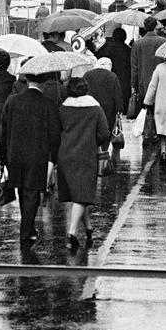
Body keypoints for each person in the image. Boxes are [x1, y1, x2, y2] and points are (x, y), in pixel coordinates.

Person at [0, 73, 61, 247]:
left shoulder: (12, 101)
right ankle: (27, 229)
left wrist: (2, 155)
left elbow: (3, 129)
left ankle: (28, 226)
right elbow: (54, 135)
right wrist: (53, 158)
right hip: (38, 155)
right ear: (44, 82)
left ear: (26, 80)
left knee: (21, 189)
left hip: (15, 153)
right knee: (32, 192)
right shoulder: (48, 104)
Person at [57, 77, 110, 251]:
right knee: (82, 195)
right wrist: (93, 141)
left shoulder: (63, 108)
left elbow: (58, 130)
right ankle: (72, 233)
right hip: (86, 156)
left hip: (65, 155)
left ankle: (88, 229)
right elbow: (104, 133)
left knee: (78, 194)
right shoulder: (95, 108)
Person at [130, 16, 165, 139]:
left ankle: (147, 133)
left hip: (143, 82)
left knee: (146, 109)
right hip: (161, 82)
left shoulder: (138, 44)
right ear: (156, 27)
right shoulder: (163, 42)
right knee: (159, 108)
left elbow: (134, 67)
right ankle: (157, 132)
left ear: (144, 27)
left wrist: (133, 85)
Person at [84, 57, 123, 159]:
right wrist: (120, 110)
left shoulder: (87, 75)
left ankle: (94, 150)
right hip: (108, 109)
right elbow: (117, 95)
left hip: (90, 107)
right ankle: (104, 151)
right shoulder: (112, 76)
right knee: (106, 130)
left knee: (92, 129)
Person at [96, 26, 132, 112]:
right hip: (125, 80)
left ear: (113, 37)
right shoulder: (128, 50)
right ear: (125, 38)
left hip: (108, 79)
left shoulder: (106, 49)